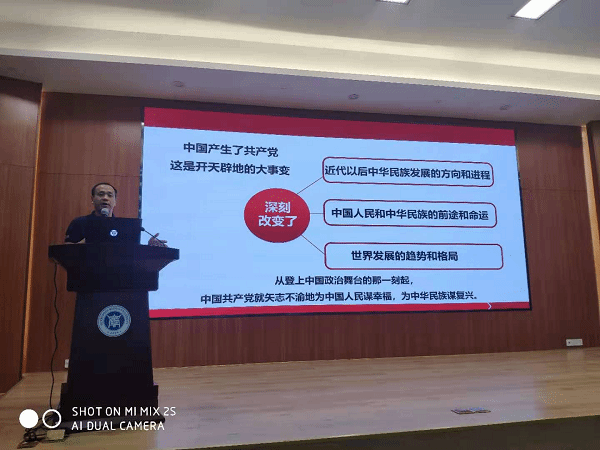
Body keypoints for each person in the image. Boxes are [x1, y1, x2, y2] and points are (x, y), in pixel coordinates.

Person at [64, 182, 167, 246]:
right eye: (101, 194)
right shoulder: (80, 223)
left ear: (115, 201)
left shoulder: (124, 226)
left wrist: (149, 248)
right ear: (92, 199)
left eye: (110, 195)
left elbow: (132, 254)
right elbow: (64, 252)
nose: (105, 198)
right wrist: (83, 243)